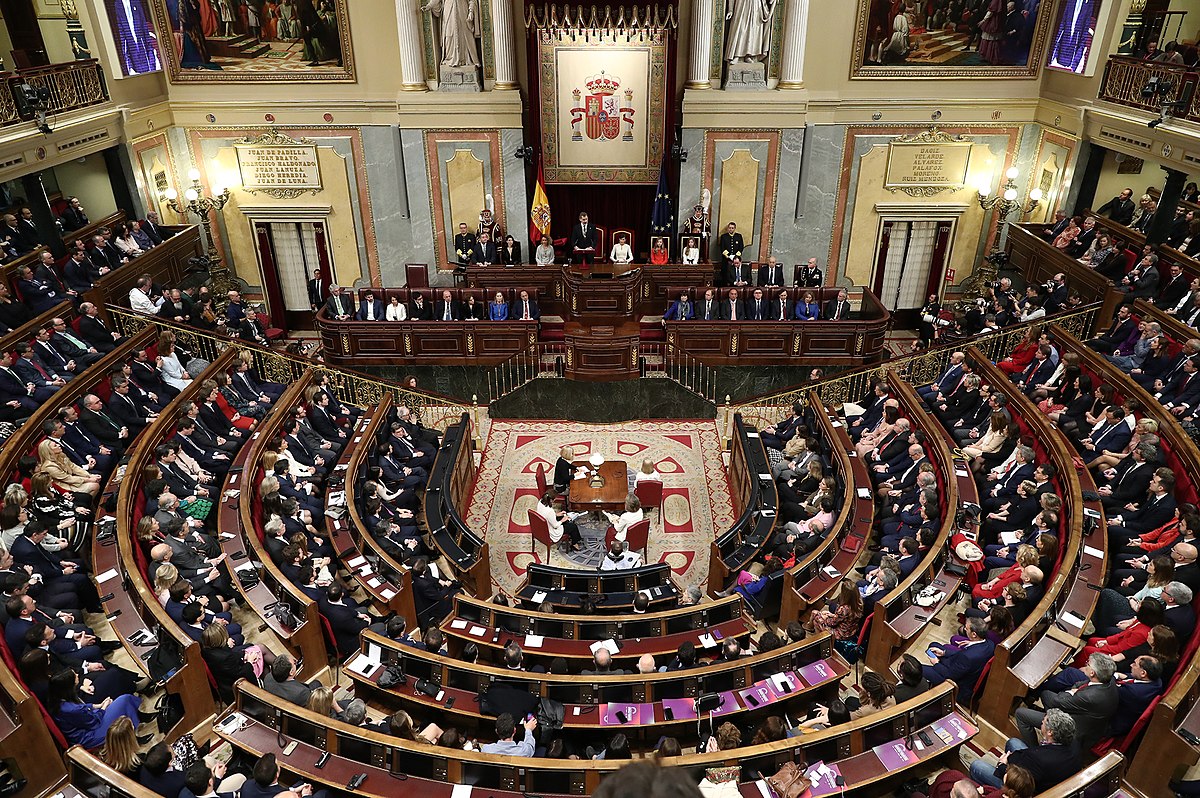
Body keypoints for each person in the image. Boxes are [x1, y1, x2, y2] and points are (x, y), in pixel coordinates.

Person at [48, 669, 145, 749]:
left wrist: (98, 705)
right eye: (75, 675)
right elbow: (93, 722)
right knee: (124, 700)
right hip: (90, 736)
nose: (77, 674)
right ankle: (133, 735)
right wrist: (103, 707)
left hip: (88, 724)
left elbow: (83, 708)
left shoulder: (58, 698)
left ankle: (137, 719)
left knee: (123, 701)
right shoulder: (70, 709)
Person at [420, 0, 480, 66]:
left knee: (464, 35)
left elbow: (472, 0)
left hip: (462, 9)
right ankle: (450, 58)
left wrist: (471, 11)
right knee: (449, 34)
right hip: (448, 10)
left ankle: (464, 59)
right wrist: (429, 5)